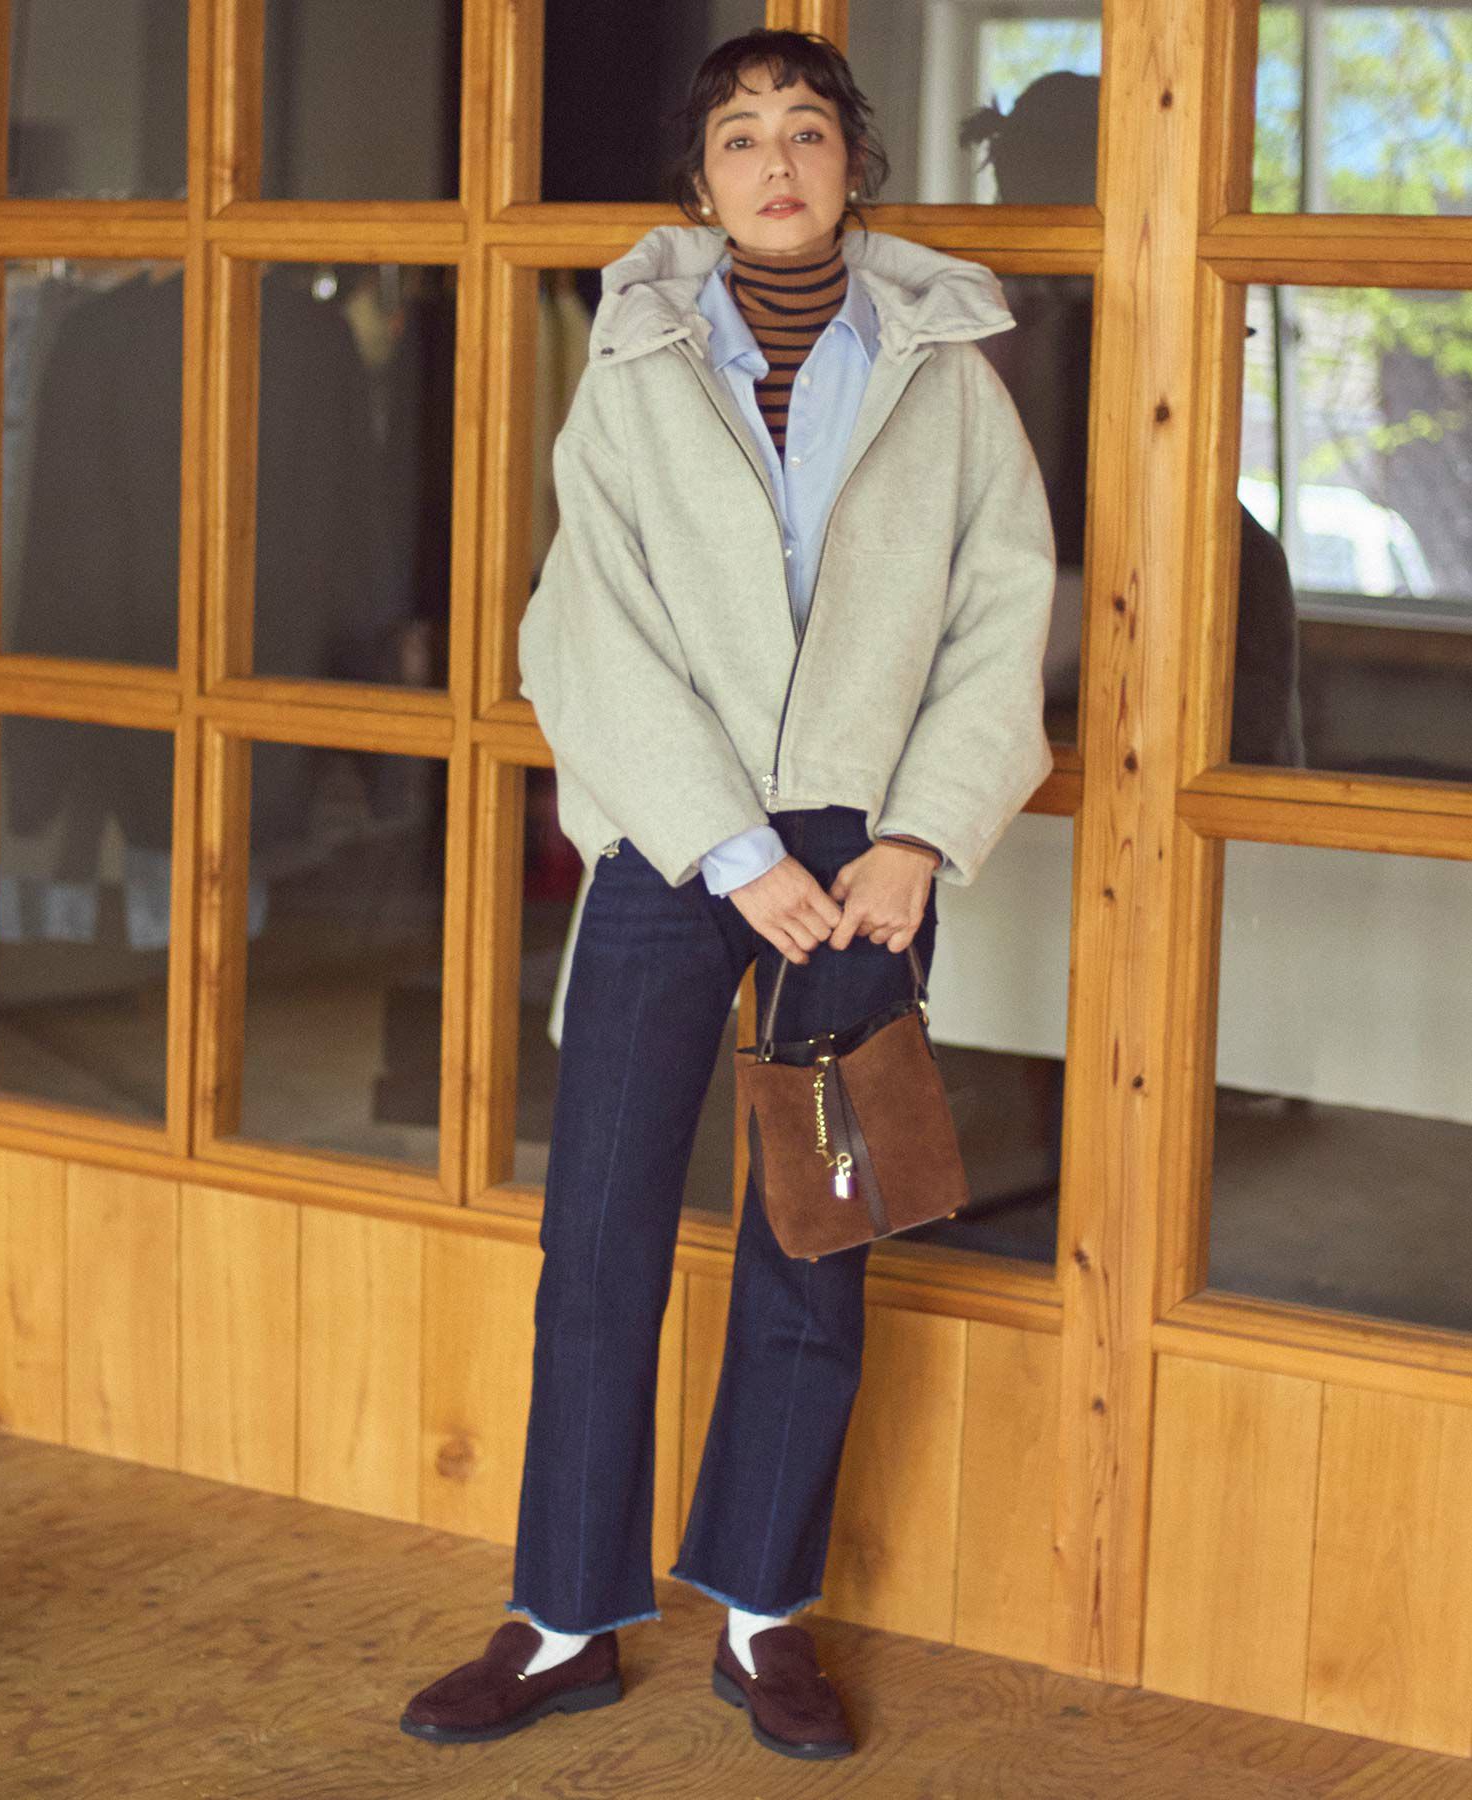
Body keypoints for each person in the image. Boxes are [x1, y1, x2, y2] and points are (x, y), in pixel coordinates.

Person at [400, 27, 1055, 1761]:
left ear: (855, 167)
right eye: (744, 137)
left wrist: (919, 838)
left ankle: (765, 1617)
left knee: (820, 1232)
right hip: (668, 847)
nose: (778, 162)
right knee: (599, 1234)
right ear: (699, 184)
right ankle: (563, 1620)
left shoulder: (950, 377)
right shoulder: (633, 366)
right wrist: (731, 848)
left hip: (869, 867)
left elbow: (1002, 625)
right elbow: (581, 630)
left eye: (809, 131)